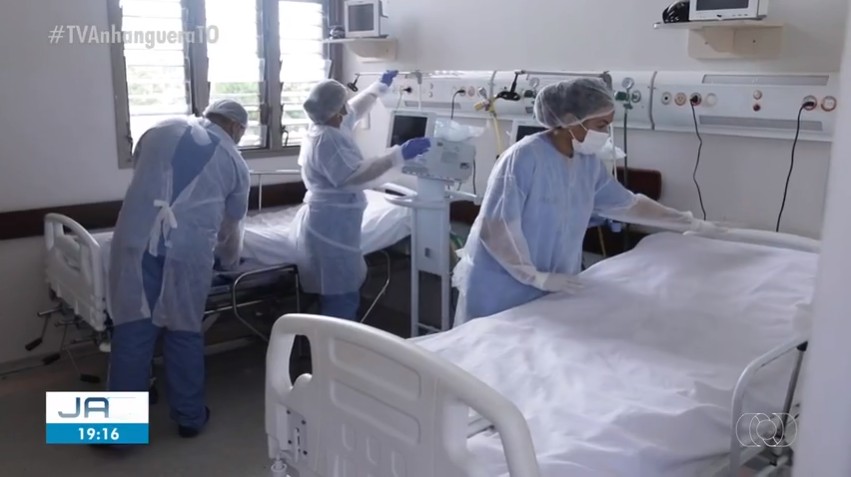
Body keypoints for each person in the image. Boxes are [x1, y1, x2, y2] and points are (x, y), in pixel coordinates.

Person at [452, 78, 721, 325]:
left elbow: (626, 204)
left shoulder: (587, 163)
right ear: (570, 120)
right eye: (601, 126)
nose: (605, 133)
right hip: (502, 288)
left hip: (554, 287)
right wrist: (534, 276)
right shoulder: (523, 158)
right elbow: (498, 227)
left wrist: (689, 223)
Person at [107, 99, 251, 438]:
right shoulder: (234, 160)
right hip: (188, 252)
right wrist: (230, 262)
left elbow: (147, 179)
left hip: (135, 241)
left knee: (131, 331)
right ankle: (189, 417)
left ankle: (116, 432)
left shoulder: (159, 130)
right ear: (235, 127)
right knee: (183, 331)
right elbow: (231, 227)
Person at [292, 70, 431, 320]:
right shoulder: (327, 139)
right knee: (340, 299)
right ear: (335, 111)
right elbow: (355, 175)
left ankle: (330, 343)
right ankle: (336, 345)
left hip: (330, 225)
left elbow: (354, 110)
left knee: (339, 297)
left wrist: (378, 88)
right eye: (342, 105)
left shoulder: (325, 126)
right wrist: (398, 155)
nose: (346, 108)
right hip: (331, 230)